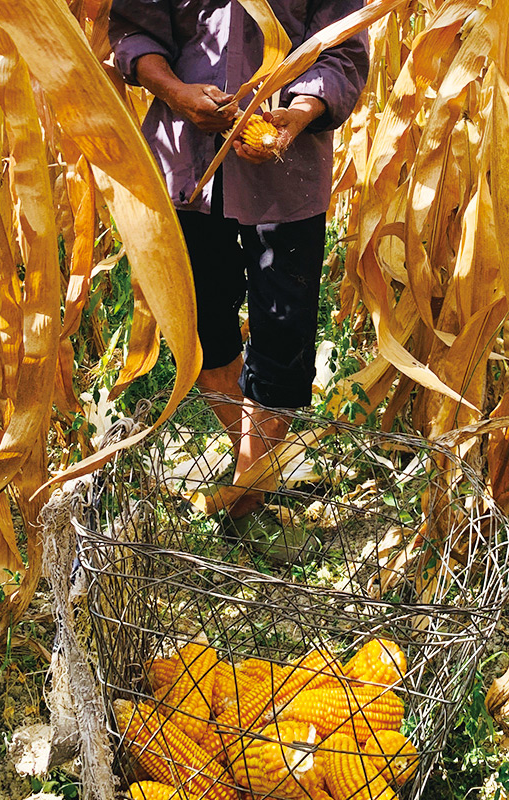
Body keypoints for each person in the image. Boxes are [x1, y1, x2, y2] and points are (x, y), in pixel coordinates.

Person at [109, 0, 369, 544]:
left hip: (287, 172)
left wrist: (297, 115)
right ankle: (253, 473)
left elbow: (341, 50)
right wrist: (179, 94)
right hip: (186, 166)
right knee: (204, 325)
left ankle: (246, 494)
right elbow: (135, 34)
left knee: (284, 333)